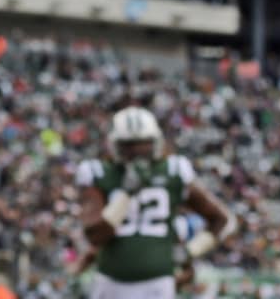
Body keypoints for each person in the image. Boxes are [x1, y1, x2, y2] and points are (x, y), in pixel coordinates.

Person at [76, 106, 236, 299]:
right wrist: (127, 193)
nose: (136, 151)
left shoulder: (174, 170)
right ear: (115, 145)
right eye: (129, 145)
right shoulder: (99, 173)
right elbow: (95, 235)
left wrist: (189, 251)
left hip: (157, 283)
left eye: (143, 143)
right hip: (112, 281)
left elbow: (220, 219)